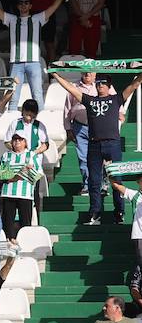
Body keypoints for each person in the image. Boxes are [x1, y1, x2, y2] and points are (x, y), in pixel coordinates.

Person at [52, 70, 142, 225]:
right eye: (98, 83)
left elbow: (134, 85)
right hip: (94, 144)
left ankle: (119, 213)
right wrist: (56, 75)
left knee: (117, 179)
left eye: (104, 84)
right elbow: (71, 89)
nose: (101, 86)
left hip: (113, 143)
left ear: (109, 86)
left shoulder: (116, 98)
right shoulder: (89, 100)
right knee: (94, 181)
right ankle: (95, 213)